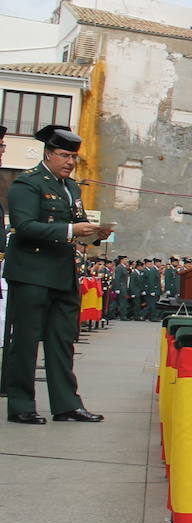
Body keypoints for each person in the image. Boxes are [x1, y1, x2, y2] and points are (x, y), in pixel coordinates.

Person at [2, 125, 111, 424]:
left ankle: (66, 405)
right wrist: (69, 230)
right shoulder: (28, 184)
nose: (69, 162)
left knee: (62, 341)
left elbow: (78, 222)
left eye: (73, 157)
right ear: (48, 154)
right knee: (25, 341)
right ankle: (21, 405)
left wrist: (95, 233)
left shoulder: (72, 188)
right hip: (31, 273)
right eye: (64, 155)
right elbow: (24, 226)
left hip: (63, 274)